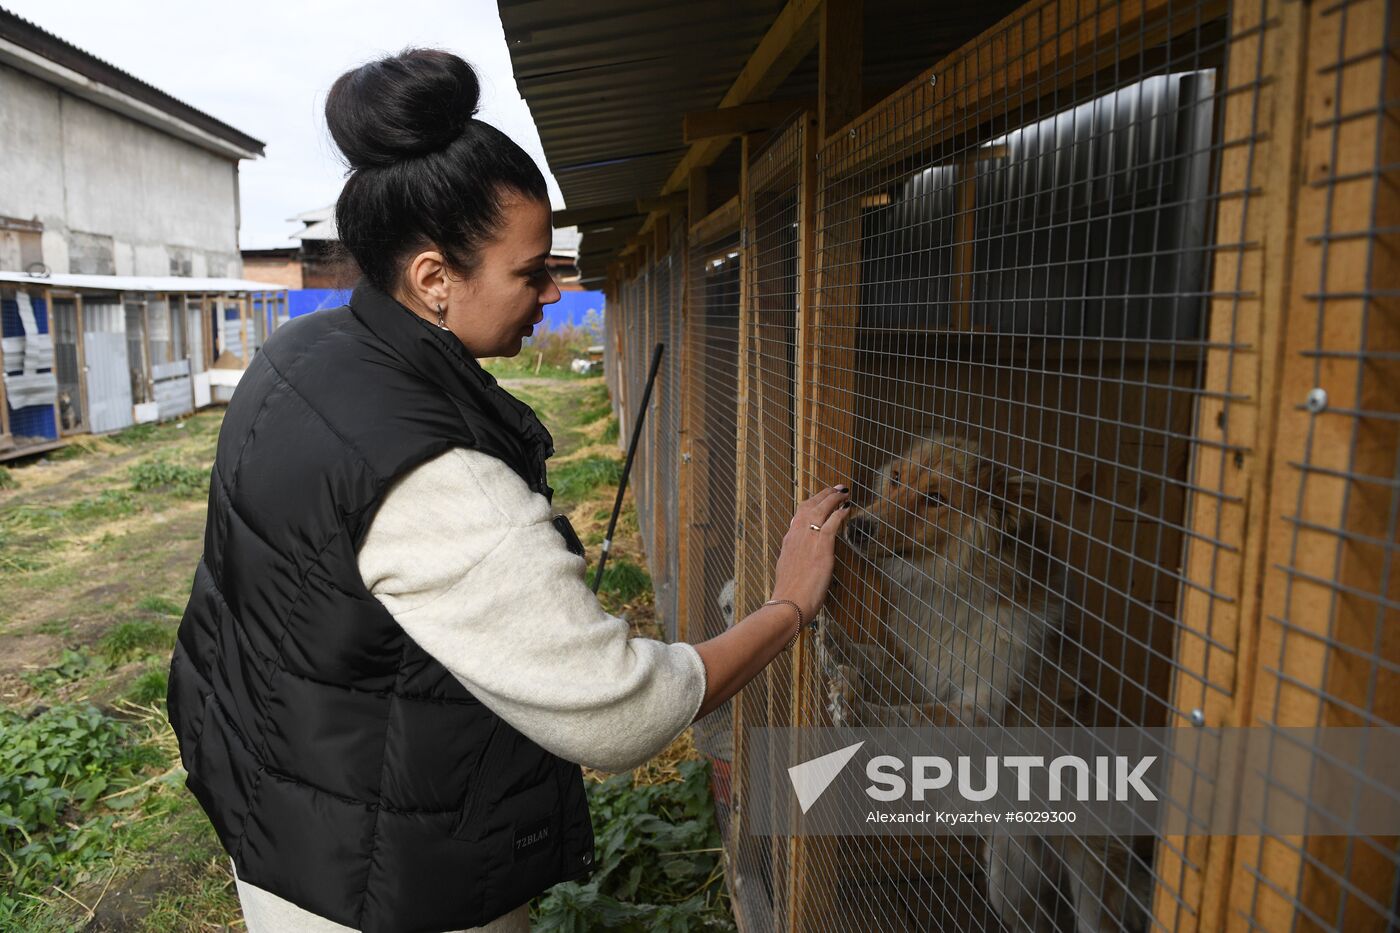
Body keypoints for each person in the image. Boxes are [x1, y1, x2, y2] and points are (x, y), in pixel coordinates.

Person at [166, 48, 851, 933]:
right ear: (434, 280)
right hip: (387, 889)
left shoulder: (298, 357)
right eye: (533, 272)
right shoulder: (436, 477)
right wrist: (789, 605)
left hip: (286, 814)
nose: (555, 292)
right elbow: (624, 712)